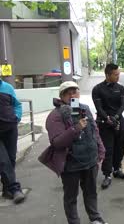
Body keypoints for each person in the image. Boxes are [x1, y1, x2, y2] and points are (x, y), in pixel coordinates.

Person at [44, 81, 108, 224]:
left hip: (90, 161)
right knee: (71, 197)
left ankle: (95, 218)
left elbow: (94, 131)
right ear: (62, 96)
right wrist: (76, 128)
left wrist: (101, 149)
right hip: (70, 164)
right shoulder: (55, 116)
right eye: (69, 92)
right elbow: (57, 142)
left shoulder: (84, 109)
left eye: (75, 91)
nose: (73, 95)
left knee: (91, 193)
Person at [92, 63, 124, 189]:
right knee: (108, 148)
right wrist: (107, 118)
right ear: (107, 74)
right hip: (104, 122)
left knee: (120, 146)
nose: (118, 76)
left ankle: (117, 168)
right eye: (116, 74)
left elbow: (122, 105)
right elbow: (98, 107)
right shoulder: (97, 89)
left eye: (119, 74)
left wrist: (116, 117)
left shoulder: (121, 88)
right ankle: (107, 174)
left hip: (118, 120)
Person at [0, 78, 25, 204]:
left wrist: (17, 117)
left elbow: (17, 104)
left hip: (10, 128)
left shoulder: (7, 87)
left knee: (11, 159)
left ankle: (6, 189)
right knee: (3, 161)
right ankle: (15, 189)